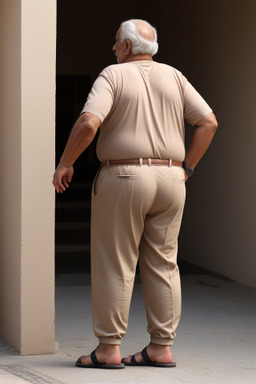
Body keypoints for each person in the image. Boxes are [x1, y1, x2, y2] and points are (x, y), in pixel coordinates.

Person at [53, 19, 218, 369]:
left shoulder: (113, 75)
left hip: (124, 175)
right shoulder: (175, 76)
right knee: (163, 263)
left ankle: (108, 349)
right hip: (172, 177)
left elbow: (87, 123)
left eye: (116, 43)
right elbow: (208, 122)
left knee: (116, 263)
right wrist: (186, 168)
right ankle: (161, 347)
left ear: (126, 47)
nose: (113, 48)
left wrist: (65, 163)